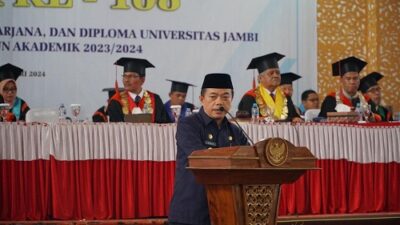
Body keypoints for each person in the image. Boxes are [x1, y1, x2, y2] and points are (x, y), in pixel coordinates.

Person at [168, 73, 248, 225]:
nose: (219, 102)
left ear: (232, 99)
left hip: (227, 212)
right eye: (213, 96)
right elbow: (201, 158)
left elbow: (249, 162)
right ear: (201, 99)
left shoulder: (236, 131)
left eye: (225, 97)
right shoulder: (188, 125)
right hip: (192, 212)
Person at [238, 52, 302, 122]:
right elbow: (242, 121)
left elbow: (294, 116)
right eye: (271, 73)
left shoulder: (286, 97)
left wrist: (296, 118)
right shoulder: (250, 97)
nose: (275, 75)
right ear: (260, 78)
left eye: (278, 73)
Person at [106, 57, 170, 123]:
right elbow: (116, 129)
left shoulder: (155, 99)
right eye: (125, 76)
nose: (126, 80)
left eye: (131, 76)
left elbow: (164, 125)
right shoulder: (116, 101)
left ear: (142, 80)